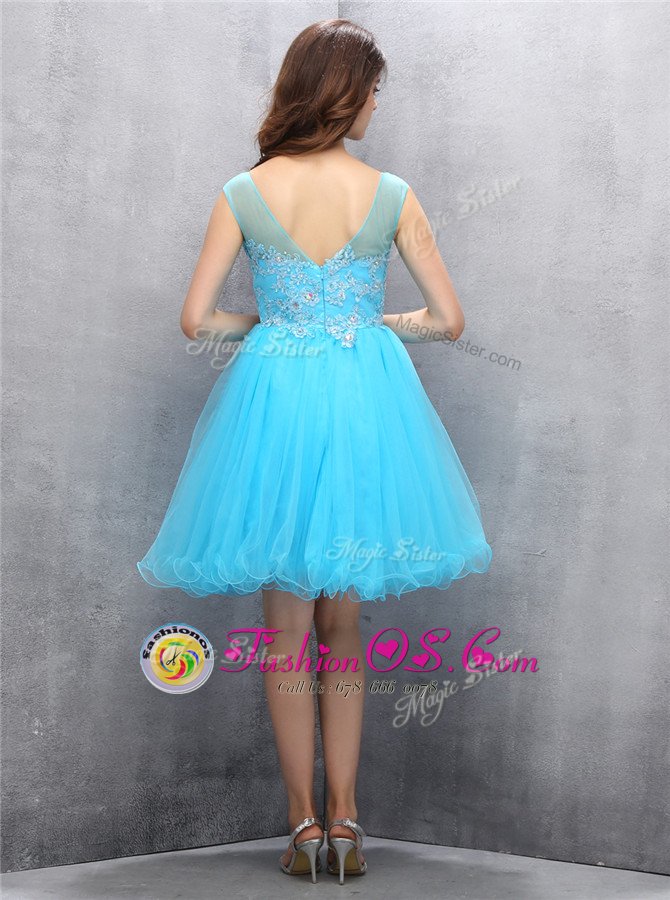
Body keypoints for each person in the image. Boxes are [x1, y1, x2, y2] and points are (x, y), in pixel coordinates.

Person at [137, 18, 492, 884]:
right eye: (373, 89)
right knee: (345, 628)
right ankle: (348, 821)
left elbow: (196, 320)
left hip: (276, 407)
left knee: (287, 633)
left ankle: (302, 827)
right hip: (366, 409)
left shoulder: (244, 191)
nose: (377, 104)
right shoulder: (392, 193)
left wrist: (270, 324)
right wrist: (371, 323)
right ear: (343, 92)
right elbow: (449, 320)